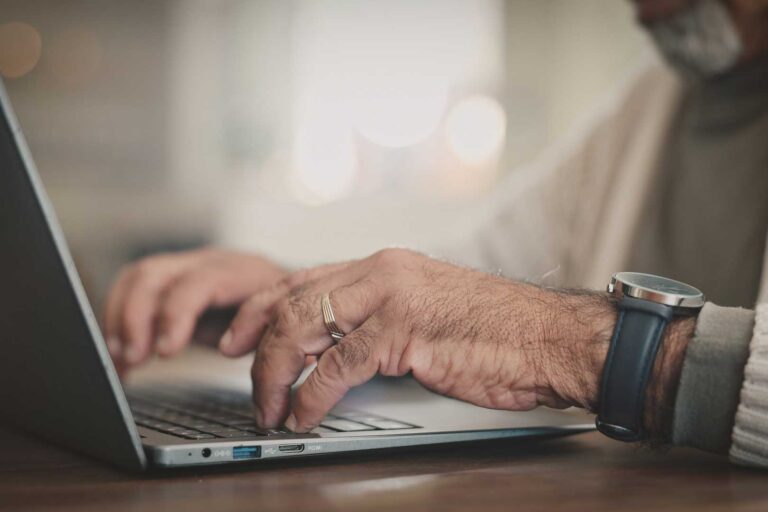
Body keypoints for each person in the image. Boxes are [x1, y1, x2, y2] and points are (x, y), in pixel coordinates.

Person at [104, 0, 768, 467]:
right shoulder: (649, 103)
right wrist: (289, 296)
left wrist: (571, 348)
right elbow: (463, 286)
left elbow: (502, 318)